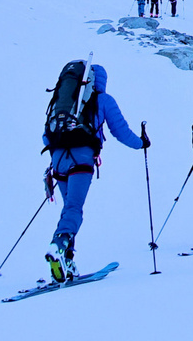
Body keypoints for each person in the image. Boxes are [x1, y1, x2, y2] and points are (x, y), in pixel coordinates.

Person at [42, 63, 147, 281]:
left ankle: (67, 262)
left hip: (58, 158)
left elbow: (46, 136)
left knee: (69, 208)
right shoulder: (103, 100)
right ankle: (59, 245)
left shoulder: (63, 101)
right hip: (81, 158)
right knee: (74, 208)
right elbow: (121, 131)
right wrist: (141, 144)